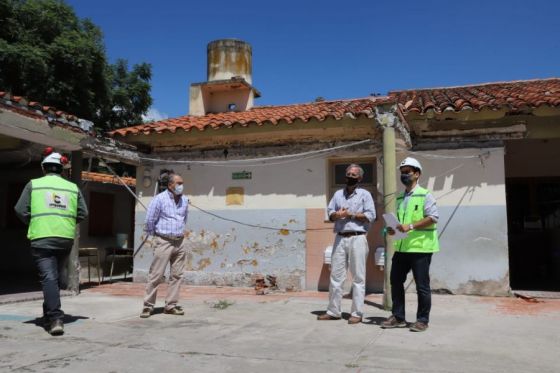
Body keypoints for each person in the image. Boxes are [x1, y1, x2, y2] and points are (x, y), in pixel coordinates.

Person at [14, 148, 88, 336]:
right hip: (65, 239)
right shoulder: (72, 187)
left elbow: (20, 210)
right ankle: (49, 314)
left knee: (49, 277)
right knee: (53, 277)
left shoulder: (34, 184)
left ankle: (56, 318)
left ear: (44, 168)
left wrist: (35, 221)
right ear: (62, 169)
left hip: (42, 237)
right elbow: (83, 213)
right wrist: (65, 222)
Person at [381, 157, 439, 332]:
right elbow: (401, 223)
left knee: (422, 286)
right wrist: (392, 230)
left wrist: (411, 226)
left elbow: (433, 217)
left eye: (408, 172)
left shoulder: (425, 194)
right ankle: (398, 317)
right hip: (402, 247)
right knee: (395, 281)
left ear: (417, 174)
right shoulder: (399, 197)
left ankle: (422, 320)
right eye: (402, 172)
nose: (404, 175)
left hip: (421, 247)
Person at [318, 164, 376, 324]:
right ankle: (333, 311)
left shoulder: (365, 194)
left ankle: (357, 313)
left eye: (354, 174)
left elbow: (371, 215)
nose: (350, 176)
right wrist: (337, 214)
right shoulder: (337, 194)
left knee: (358, 277)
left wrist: (349, 214)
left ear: (360, 178)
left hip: (358, 237)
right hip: (340, 237)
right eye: (348, 173)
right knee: (336, 276)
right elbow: (330, 213)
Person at [140, 171, 189, 318]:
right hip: (164, 241)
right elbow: (150, 220)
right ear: (170, 185)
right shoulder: (159, 199)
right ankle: (148, 306)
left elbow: (184, 219)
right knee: (156, 274)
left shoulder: (185, 200)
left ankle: (171, 305)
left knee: (177, 275)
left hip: (180, 241)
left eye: (182, 183)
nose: (181, 186)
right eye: (179, 183)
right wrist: (157, 237)